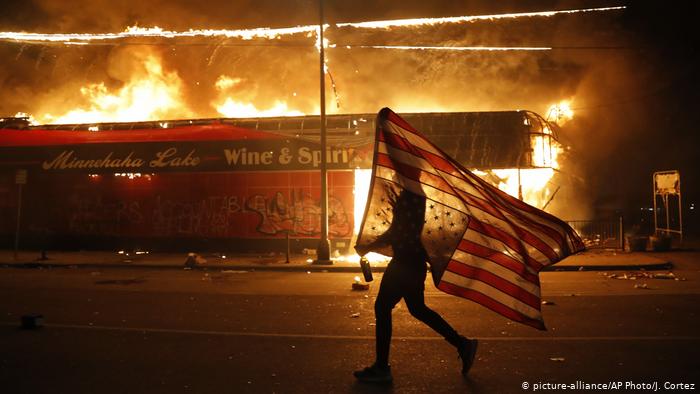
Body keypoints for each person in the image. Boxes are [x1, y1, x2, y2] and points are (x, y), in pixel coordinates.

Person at [353, 190, 478, 384]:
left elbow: (398, 231)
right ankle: (462, 343)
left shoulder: (411, 195)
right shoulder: (413, 193)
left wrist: (369, 246)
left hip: (405, 263)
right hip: (412, 262)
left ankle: (381, 368)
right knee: (417, 309)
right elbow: (399, 230)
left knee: (383, 307)